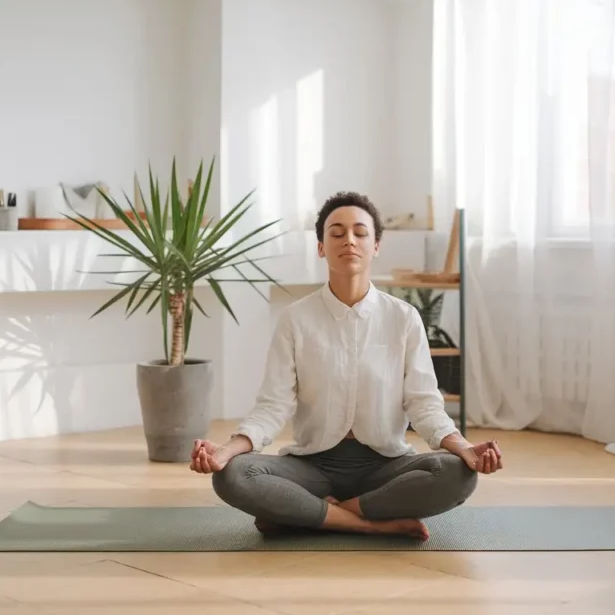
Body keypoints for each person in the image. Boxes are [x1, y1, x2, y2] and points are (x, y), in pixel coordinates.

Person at [189, 191, 502, 540]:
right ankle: (368, 522)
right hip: (311, 466)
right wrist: (227, 450)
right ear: (321, 247)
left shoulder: (403, 318)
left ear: (376, 245)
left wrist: (463, 448)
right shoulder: (295, 319)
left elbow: (424, 403)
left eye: (360, 232)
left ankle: (310, 513)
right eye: (336, 233)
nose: (348, 241)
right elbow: (273, 405)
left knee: (457, 473)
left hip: (386, 464)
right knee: (233, 476)